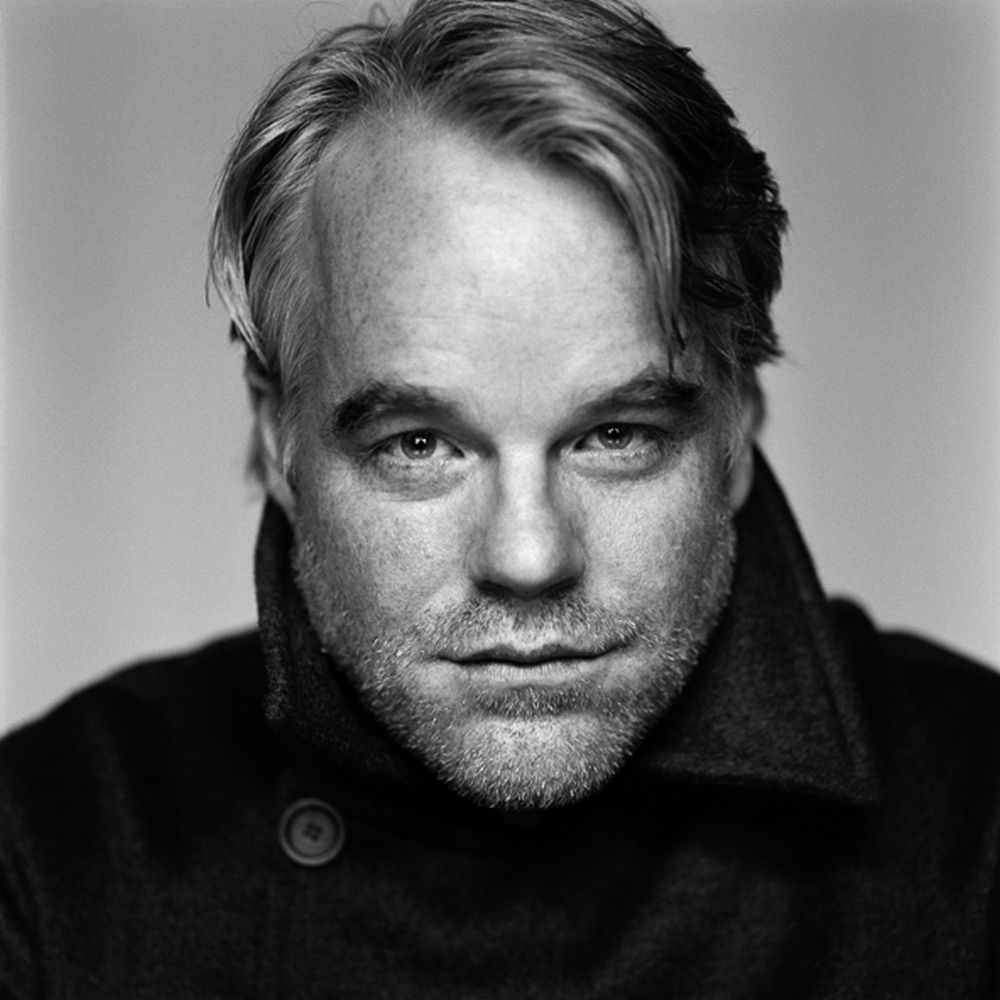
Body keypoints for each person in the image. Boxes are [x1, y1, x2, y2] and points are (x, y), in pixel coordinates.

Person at [1, 0, 997, 995]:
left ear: (736, 428)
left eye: (616, 436)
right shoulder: (49, 856)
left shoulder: (978, 830)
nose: (528, 555)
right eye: (419, 444)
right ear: (278, 439)